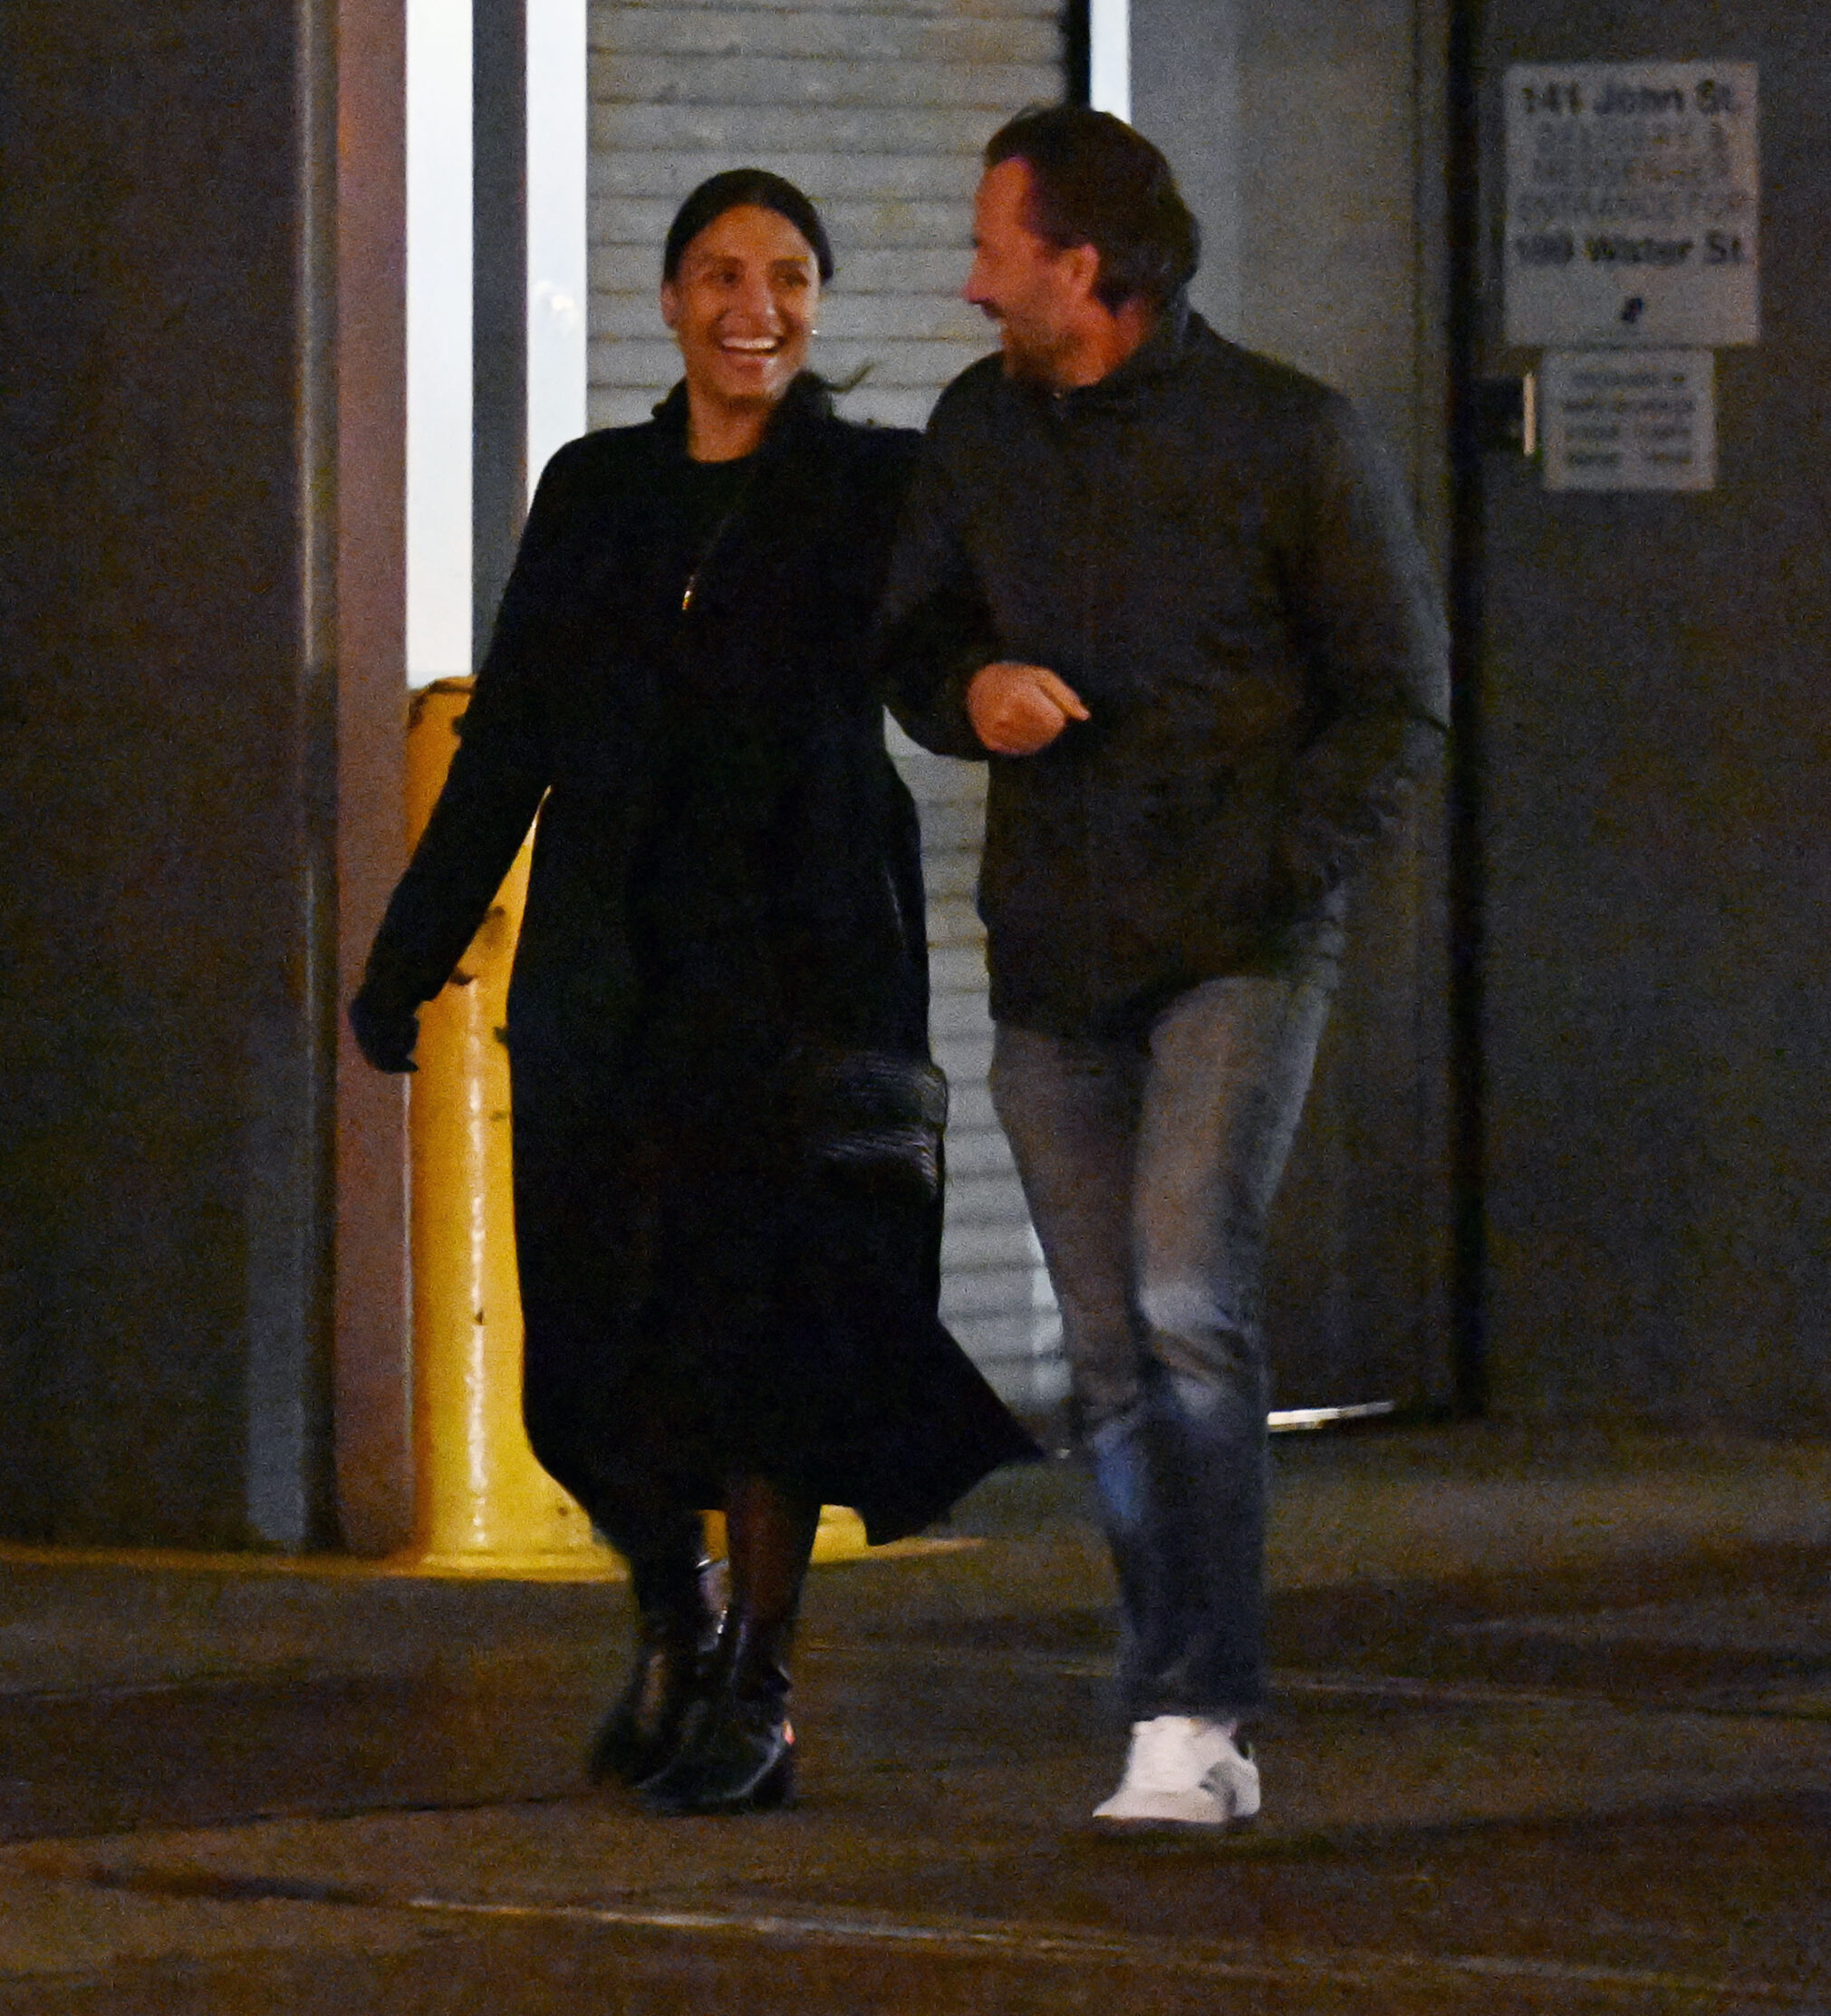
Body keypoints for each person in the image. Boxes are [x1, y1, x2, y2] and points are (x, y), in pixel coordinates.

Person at [350, 169, 1036, 1817]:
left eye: (790, 276)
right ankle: (673, 1603)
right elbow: (508, 734)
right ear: (665, 301)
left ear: (816, 302)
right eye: (722, 274)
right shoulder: (593, 492)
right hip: (607, 958)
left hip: (800, 962)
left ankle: (760, 1685)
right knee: (586, 1343)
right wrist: (407, 955)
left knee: (774, 1329)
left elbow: (942, 666)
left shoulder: (871, 487)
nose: (757, 307)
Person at [876, 108, 1449, 1829]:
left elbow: (1396, 699)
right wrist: (966, 692)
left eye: (997, 252)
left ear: (1085, 266)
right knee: (1111, 1341)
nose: (969, 286)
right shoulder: (978, 434)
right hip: (1053, 955)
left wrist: (1272, 874)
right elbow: (912, 641)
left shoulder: (1290, 437)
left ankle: (1192, 1716)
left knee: (1193, 1301)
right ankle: (1174, 1696)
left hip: (1236, 948)